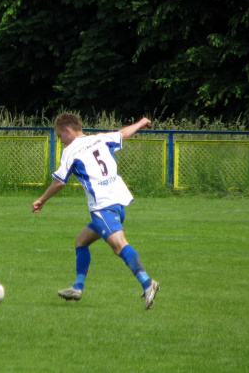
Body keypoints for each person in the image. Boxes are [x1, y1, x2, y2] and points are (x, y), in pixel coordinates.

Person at [31, 113, 160, 310]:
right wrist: (141, 122)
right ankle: (77, 287)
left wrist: (41, 199)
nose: (60, 140)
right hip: (118, 203)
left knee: (119, 245)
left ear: (67, 130)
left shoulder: (70, 151)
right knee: (81, 241)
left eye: (59, 136)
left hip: (102, 206)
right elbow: (123, 134)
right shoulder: (99, 138)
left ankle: (147, 282)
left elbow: (59, 182)